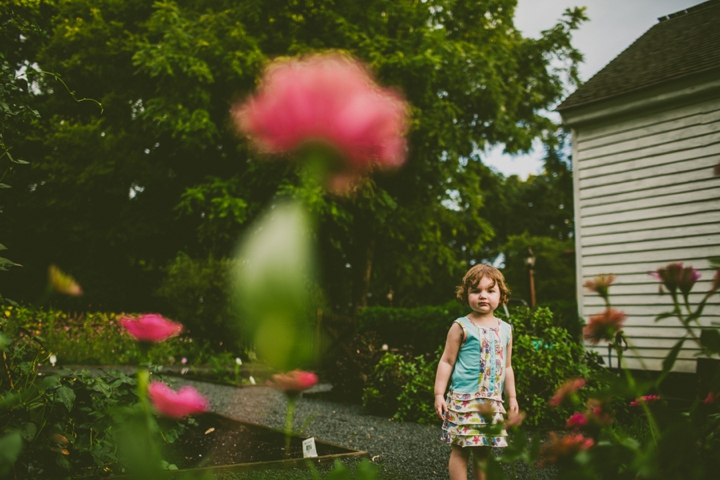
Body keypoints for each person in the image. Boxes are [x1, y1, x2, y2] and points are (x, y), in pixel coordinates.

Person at [434, 264, 518, 480]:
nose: (483, 296)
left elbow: (507, 366)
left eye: (490, 290)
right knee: (460, 450)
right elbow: (447, 361)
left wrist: (512, 397)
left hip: (491, 402)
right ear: (466, 294)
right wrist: (438, 394)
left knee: (483, 452)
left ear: (501, 295)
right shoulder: (461, 326)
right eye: (476, 290)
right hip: (464, 401)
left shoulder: (506, 329)